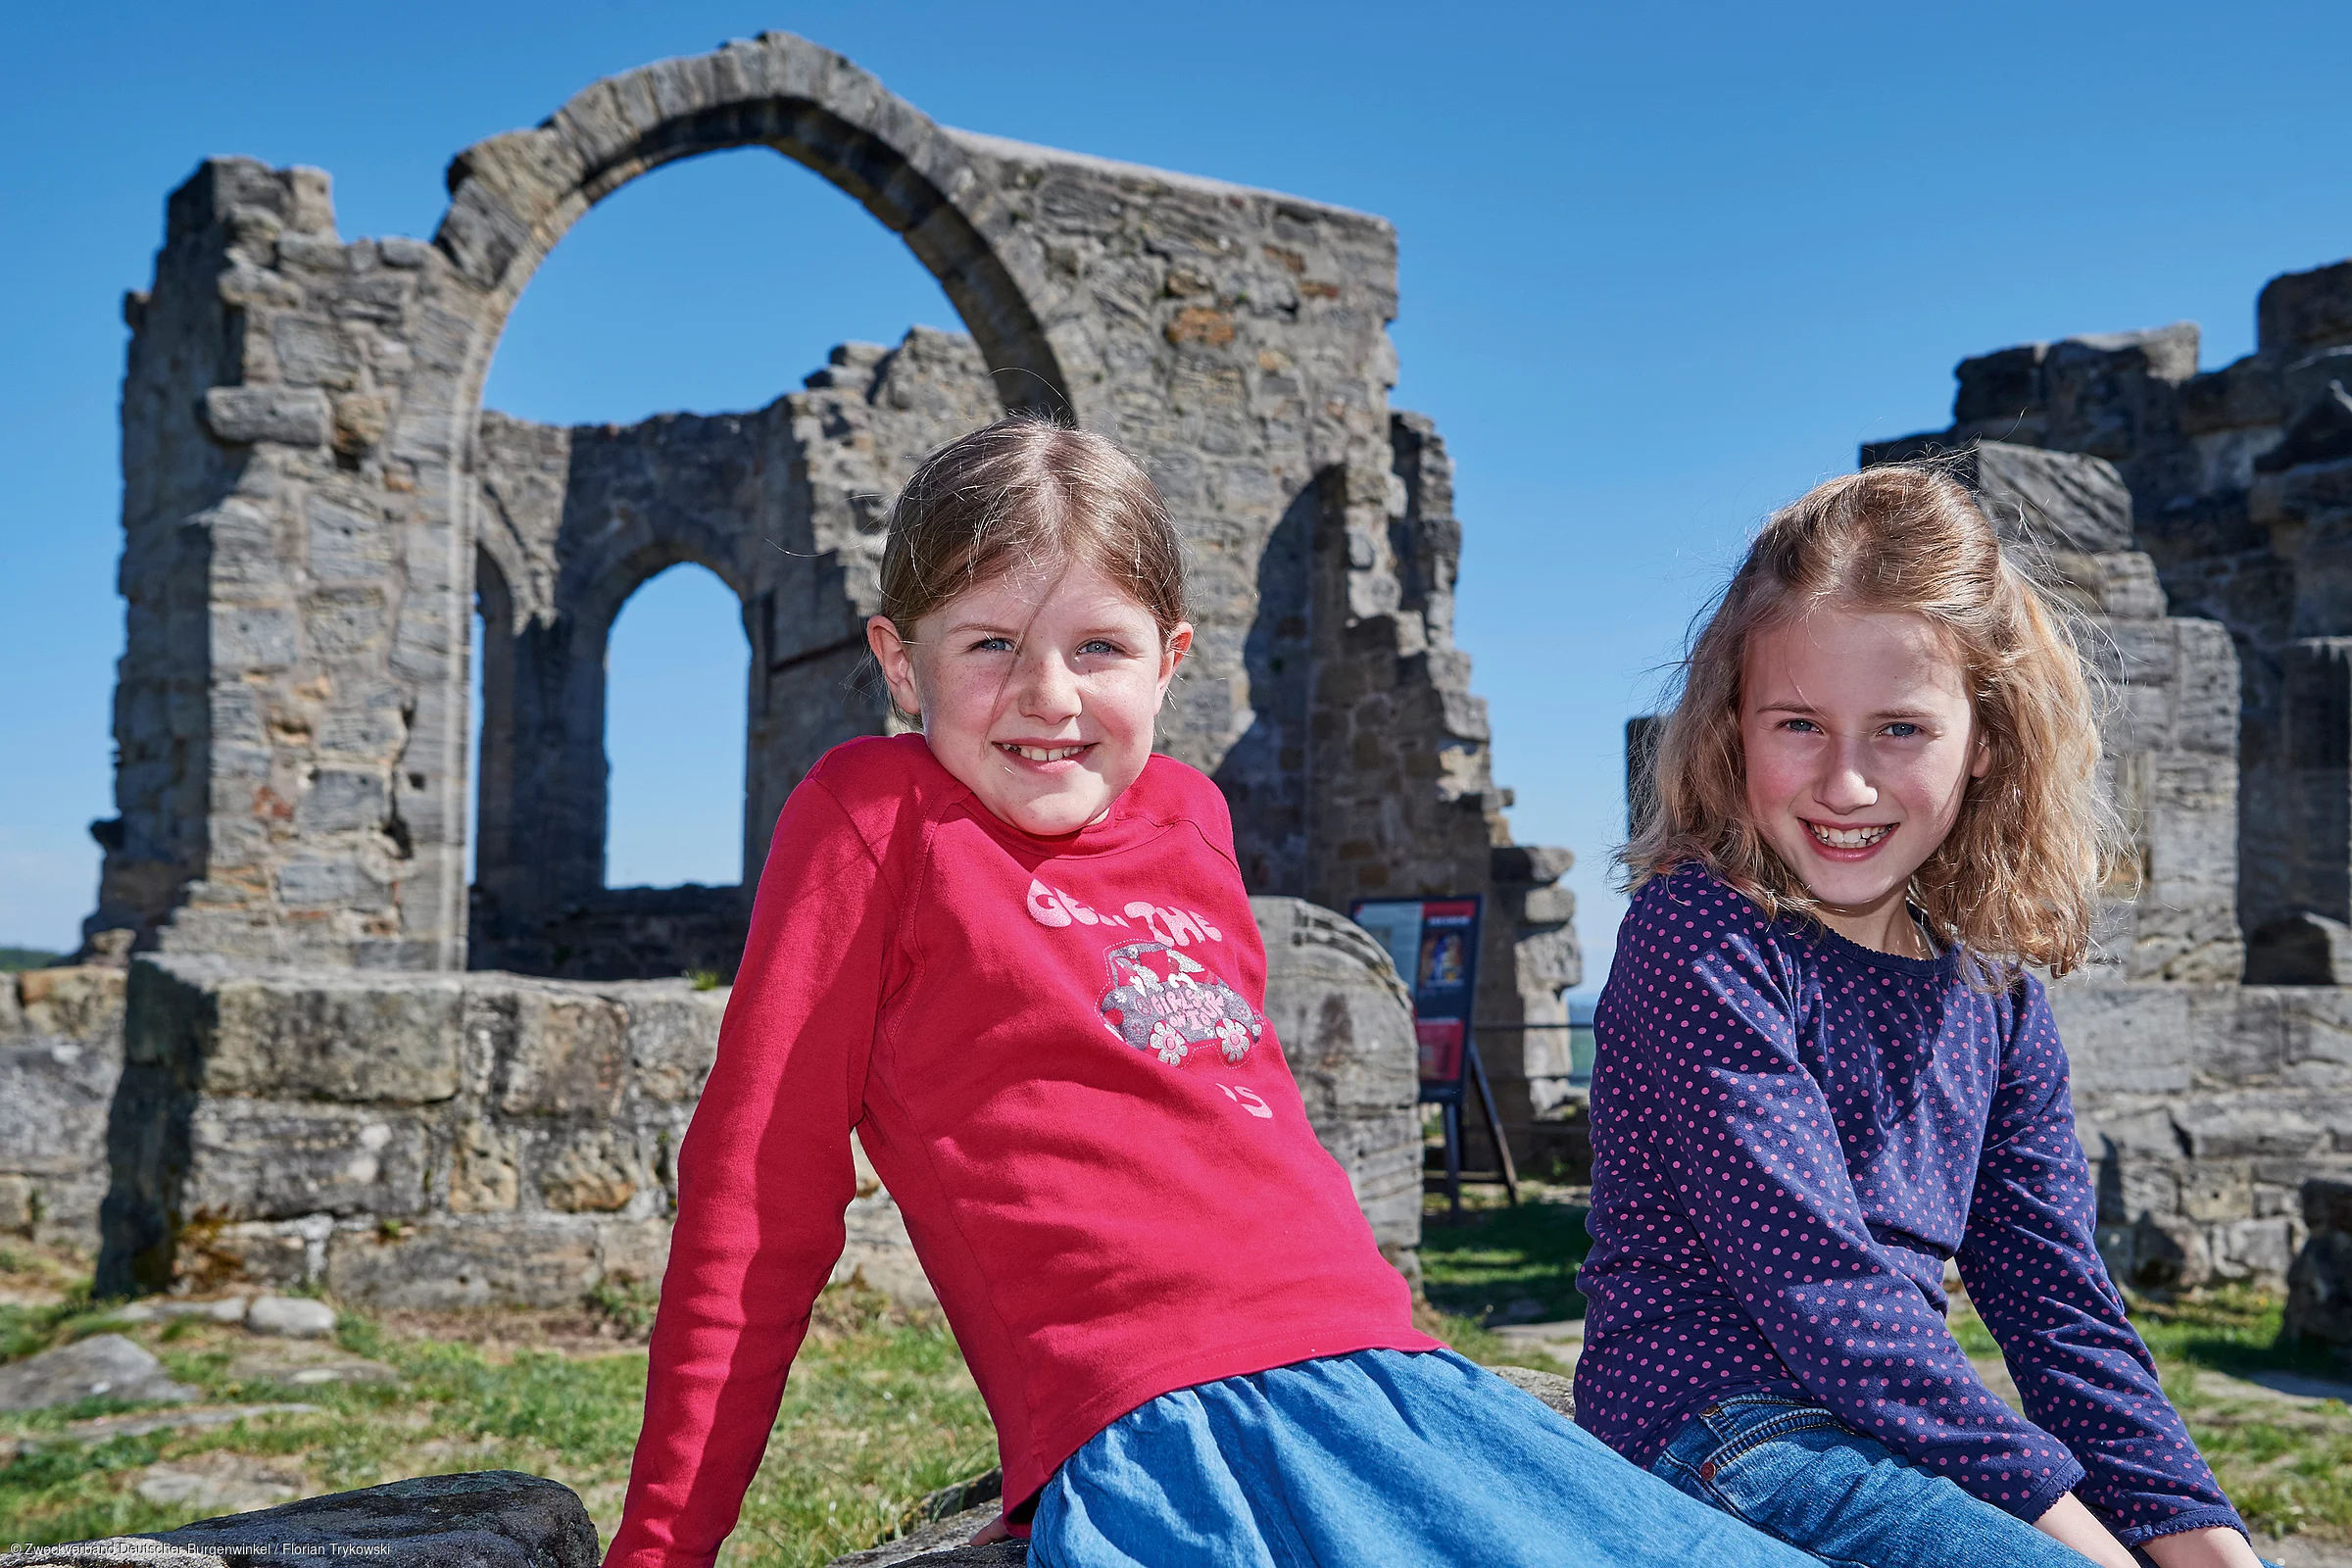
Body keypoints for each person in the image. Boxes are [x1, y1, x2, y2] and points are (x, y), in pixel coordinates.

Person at [604, 417, 1823, 1568]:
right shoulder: (876, 817)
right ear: (900, 663)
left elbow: (1245, 1116)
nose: (1050, 694)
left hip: (1386, 1372)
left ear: (1170, 660)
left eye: (1099, 646)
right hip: (1157, 1422)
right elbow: (759, 1189)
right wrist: (664, 1548)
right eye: (989, 644)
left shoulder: (1193, 816)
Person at [1575, 465, 2262, 1568]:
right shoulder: (1701, 937)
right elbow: (1824, 1292)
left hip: (1895, 1436)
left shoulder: (1994, 996)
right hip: (1721, 1424)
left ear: (1983, 740)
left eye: (1900, 728)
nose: (1846, 782)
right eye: (1799, 723)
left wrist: (2198, 1532)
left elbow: (2057, 1302)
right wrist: (2078, 1535)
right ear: (1733, 726)